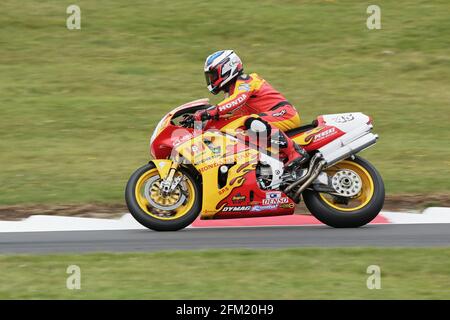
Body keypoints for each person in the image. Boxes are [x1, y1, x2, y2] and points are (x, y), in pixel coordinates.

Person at [194, 50, 309, 171]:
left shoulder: (246, 80)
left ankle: (295, 153)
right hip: (270, 118)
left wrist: (211, 112)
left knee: (251, 121)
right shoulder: (230, 94)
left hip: (284, 114)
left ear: (226, 68)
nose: (211, 79)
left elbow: (238, 99)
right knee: (235, 131)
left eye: (213, 75)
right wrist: (203, 121)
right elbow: (227, 115)